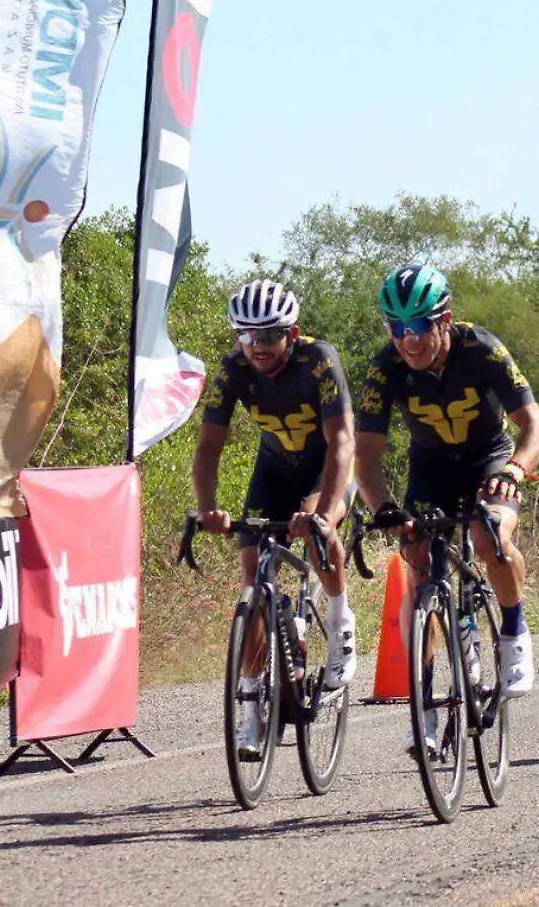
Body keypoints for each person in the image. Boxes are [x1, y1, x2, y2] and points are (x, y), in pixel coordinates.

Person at [354, 262, 539, 745]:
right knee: (419, 569)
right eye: (396, 328)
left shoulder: (482, 349)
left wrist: (516, 470)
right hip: (432, 469)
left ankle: (512, 632)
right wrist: (385, 511)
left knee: (489, 537)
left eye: (419, 325)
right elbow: (367, 456)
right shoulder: (386, 367)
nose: (409, 340)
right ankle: (422, 706)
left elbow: (536, 427)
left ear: (446, 319)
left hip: (490, 462)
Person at [192, 280, 357, 760]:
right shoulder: (233, 369)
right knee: (251, 570)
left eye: (267, 336)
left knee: (316, 530)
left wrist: (323, 510)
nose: (257, 347)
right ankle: (250, 706)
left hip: (327, 468)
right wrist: (208, 509)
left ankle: (339, 619)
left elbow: (343, 442)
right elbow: (208, 448)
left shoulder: (318, 360)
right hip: (274, 472)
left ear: (293, 333)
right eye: (246, 336)